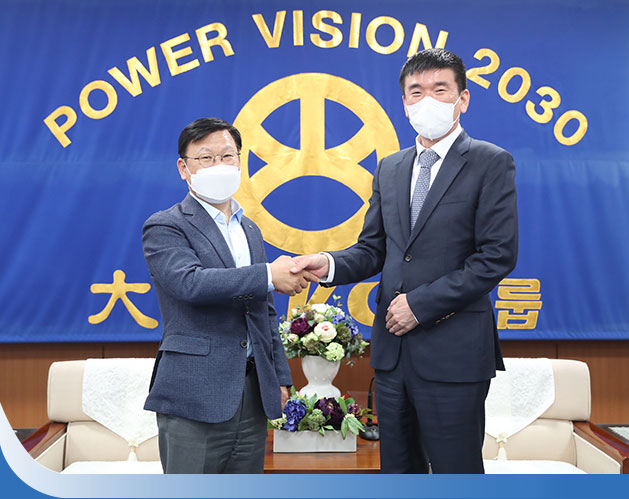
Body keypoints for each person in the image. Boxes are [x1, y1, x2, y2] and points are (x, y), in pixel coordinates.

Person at [291, 48, 518, 473]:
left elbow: (496, 256)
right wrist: (328, 264)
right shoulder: (390, 167)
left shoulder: (490, 162)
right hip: (393, 356)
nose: (427, 100)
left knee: (456, 473)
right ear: (405, 103)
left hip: (453, 354)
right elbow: (374, 249)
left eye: (440, 90)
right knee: (397, 473)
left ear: (463, 99)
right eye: (417, 92)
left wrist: (420, 304)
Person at [142, 117, 315, 474]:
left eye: (226, 156)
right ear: (184, 168)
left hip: (251, 394)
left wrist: (280, 377)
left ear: (239, 161)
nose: (218, 165)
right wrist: (269, 274)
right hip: (194, 395)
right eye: (206, 158)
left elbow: (265, 311)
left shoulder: (248, 228)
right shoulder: (166, 225)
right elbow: (191, 284)